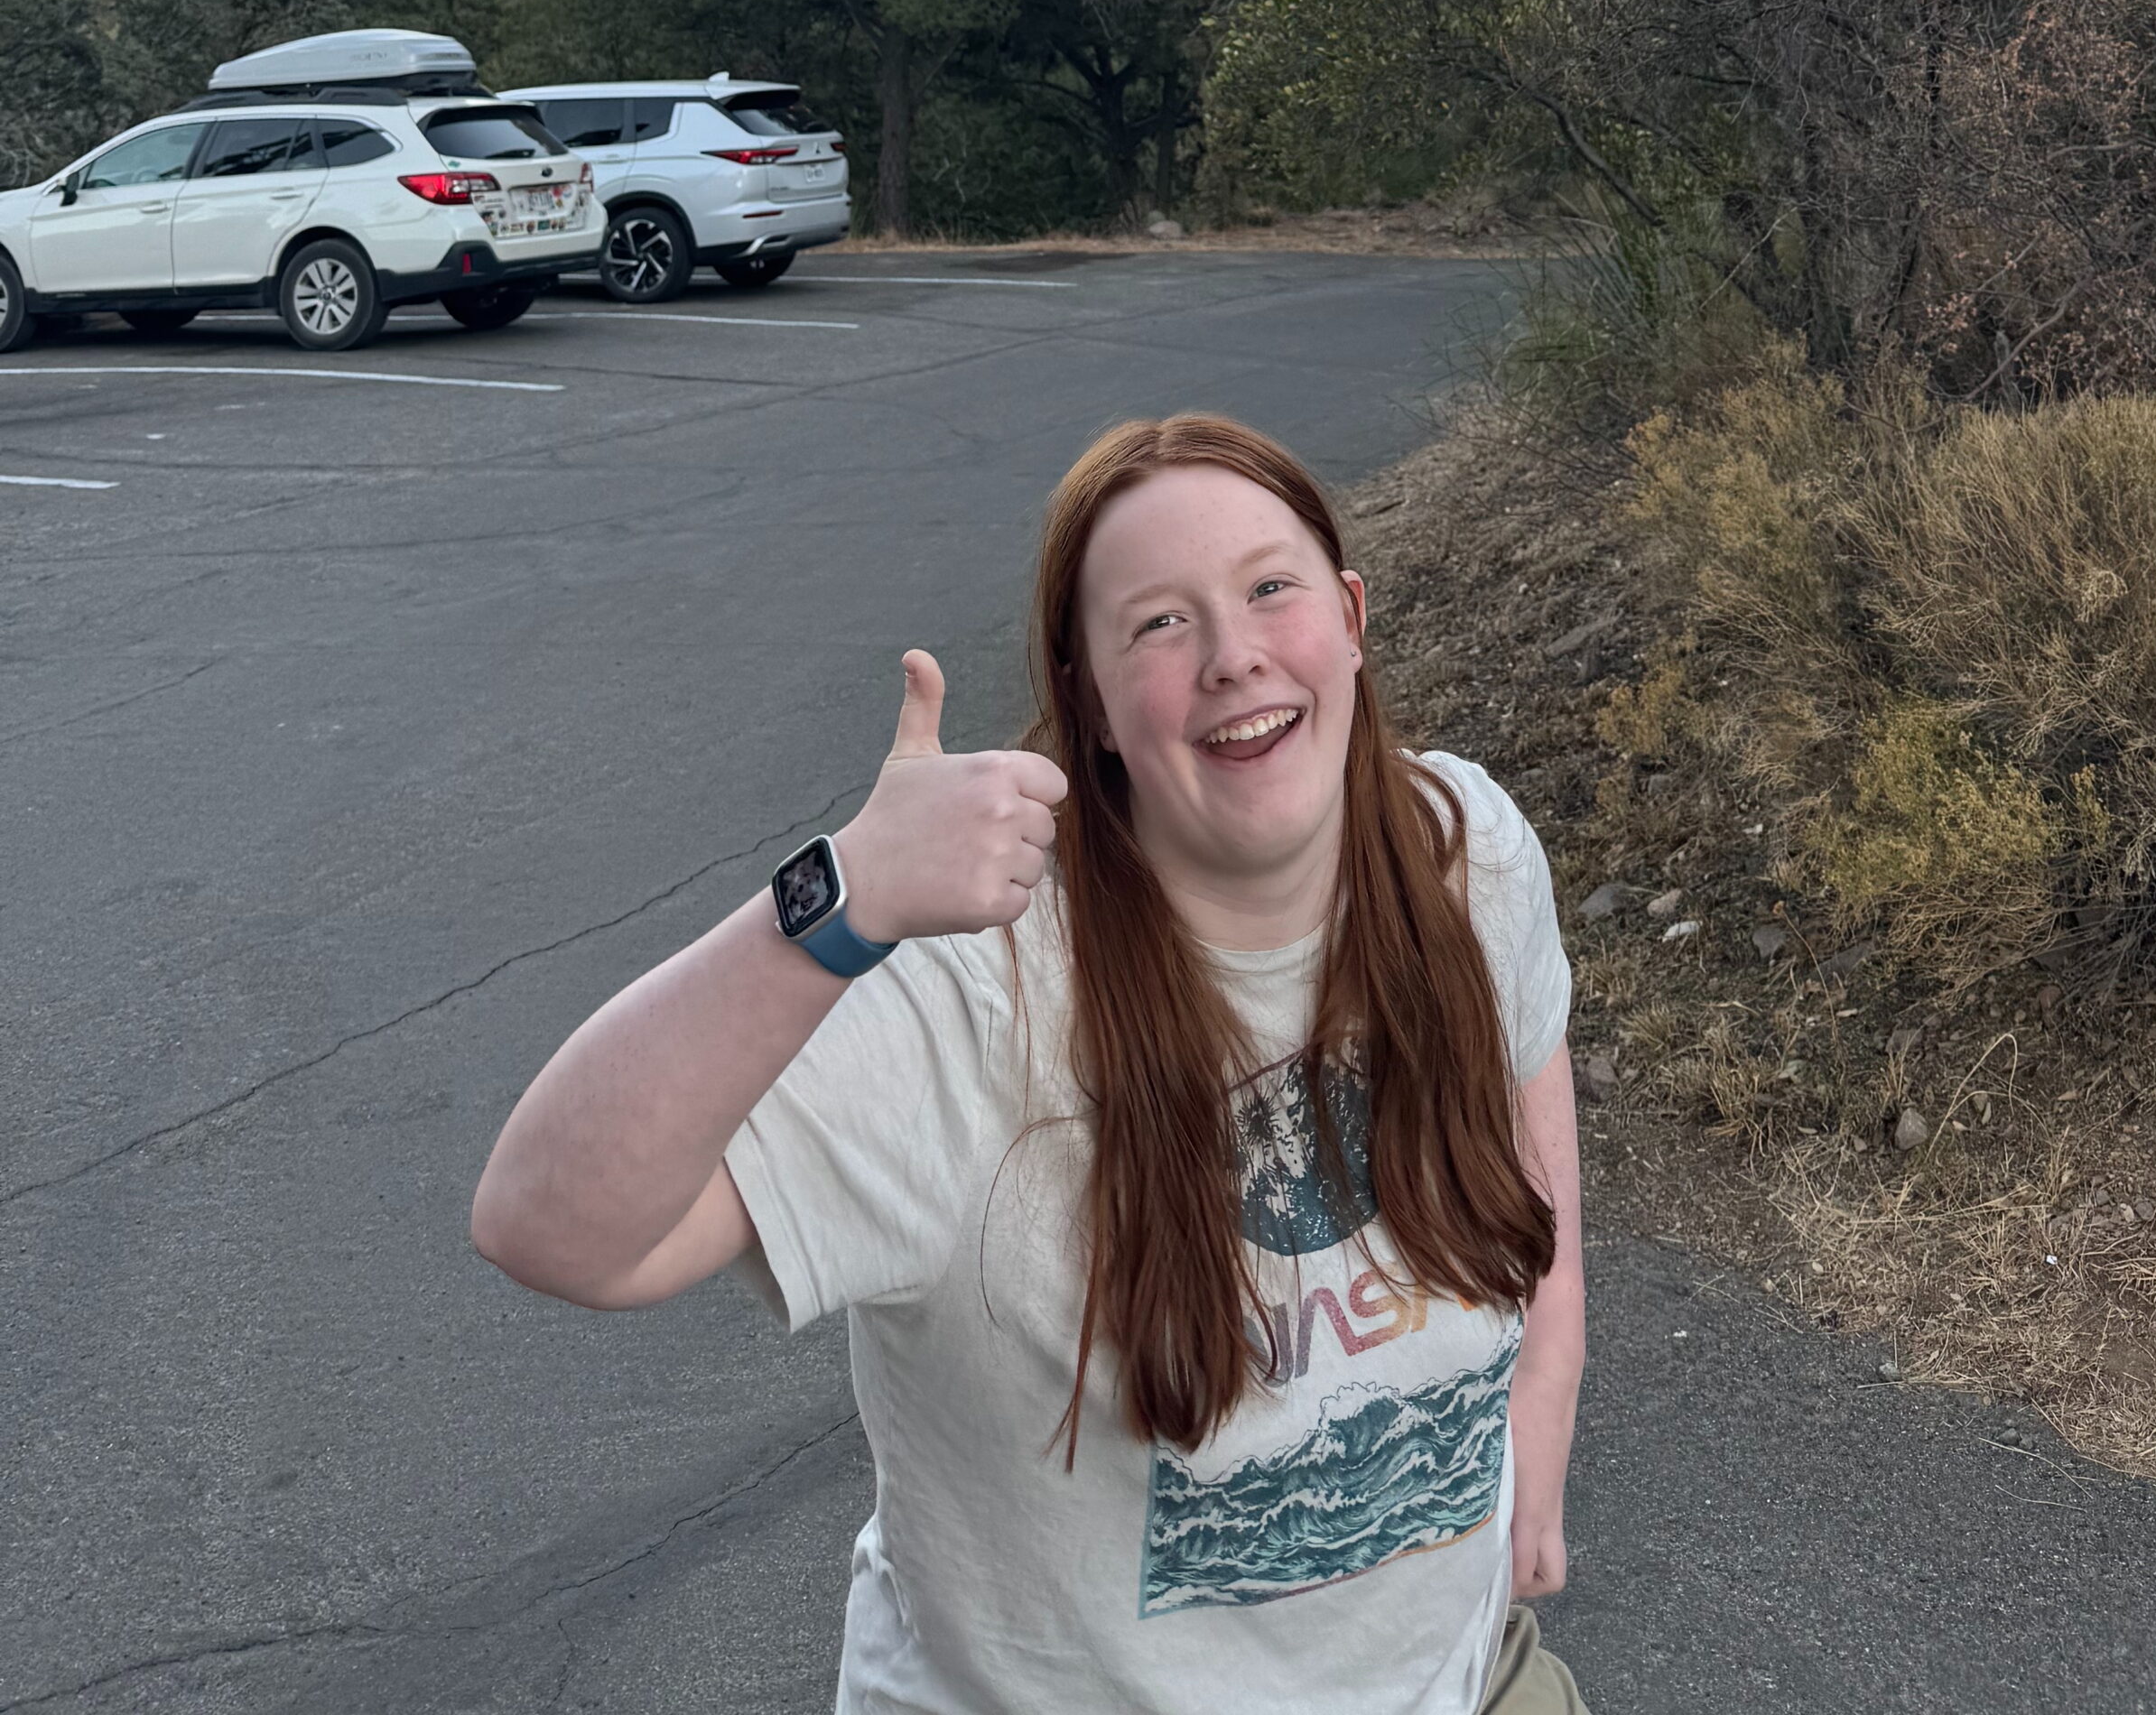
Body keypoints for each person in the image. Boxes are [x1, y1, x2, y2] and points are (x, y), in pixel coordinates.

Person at [471, 412, 1588, 1713]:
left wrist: (1543, 1405)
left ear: (1348, 616)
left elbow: (1530, 1163)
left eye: (1270, 589)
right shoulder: (974, 986)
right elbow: (552, 1226)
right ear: (1095, 707)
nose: (1233, 656)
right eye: (1158, 625)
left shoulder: (1466, 854)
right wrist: (838, 903)